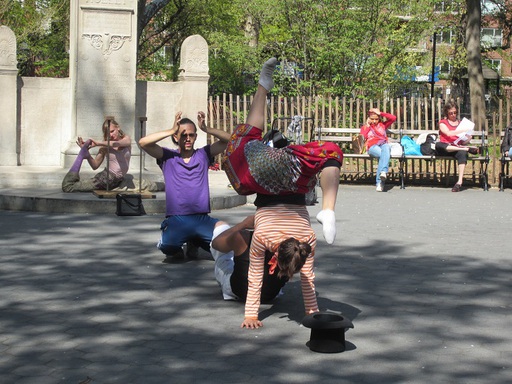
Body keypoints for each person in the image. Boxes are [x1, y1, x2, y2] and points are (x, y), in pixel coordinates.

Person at [222, 58, 343, 245]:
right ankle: (328, 210)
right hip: (272, 177)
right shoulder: (298, 235)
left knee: (331, 153)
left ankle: (328, 211)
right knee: (331, 153)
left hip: (260, 174)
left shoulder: (279, 237)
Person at [138, 111, 231, 260]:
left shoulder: (204, 154)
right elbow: (143, 143)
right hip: (178, 219)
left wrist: (207, 129)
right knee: (168, 247)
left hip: (201, 219)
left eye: (191, 135)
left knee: (228, 243)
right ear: (176, 137)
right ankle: (182, 243)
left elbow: (230, 140)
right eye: (183, 135)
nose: (188, 138)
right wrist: (170, 130)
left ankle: (195, 240)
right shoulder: (167, 156)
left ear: (195, 136)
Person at [211, 209, 318, 329]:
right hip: (271, 294)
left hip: (234, 290)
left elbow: (216, 244)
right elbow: (308, 277)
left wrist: (243, 224)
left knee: (220, 226)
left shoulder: (247, 237)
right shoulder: (297, 251)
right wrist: (312, 312)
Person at [62, 119, 131, 192]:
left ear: (118, 127)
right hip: (106, 178)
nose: (110, 135)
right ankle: (81, 155)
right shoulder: (105, 146)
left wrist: (98, 143)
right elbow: (95, 165)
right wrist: (86, 153)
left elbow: (116, 144)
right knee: (68, 187)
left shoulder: (126, 139)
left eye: (112, 131)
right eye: (108, 133)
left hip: (116, 180)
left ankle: (83, 153)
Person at [435, 100, 479, 192]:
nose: (453, 115)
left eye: (455, 112)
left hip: (457, 147)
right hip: (445, 148)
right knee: (439, 145)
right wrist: (462, 130)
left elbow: (462, 142)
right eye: (451, 113)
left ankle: (459, 182)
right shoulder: (443, 122)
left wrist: (468, 138)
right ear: (447, 113)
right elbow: (448, 133)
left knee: (462, 153)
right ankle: (467, 149)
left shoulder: (460, 123)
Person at [360, 108, 397, 192]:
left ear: (379, 118)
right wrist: (368, 126)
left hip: (383, 145)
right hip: (372, 147)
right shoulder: (365, 127)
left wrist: (380, 113)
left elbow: (393, 118)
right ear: (368, 118)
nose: (374, 121)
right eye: (372, 119)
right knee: (384, 155)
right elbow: (363, 137)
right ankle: (381, 181)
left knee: (386, 147)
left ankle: (382, 176)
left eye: (376, 119)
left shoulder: (383, 125)